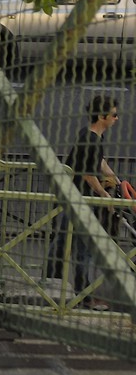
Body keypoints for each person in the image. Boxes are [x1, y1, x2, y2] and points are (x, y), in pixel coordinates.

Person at [45, 95, 124, 304]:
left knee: (62, 239)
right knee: (83, 246)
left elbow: (98, 162)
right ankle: (83, 294)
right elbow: (89, 174)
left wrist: (114, 178)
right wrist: (105, 195)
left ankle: (51, 280)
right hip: (78, 198)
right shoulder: (90, 139)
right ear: (102, 116)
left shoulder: (91, 136)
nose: (117, 118)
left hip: (70, 195)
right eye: (114, 114)